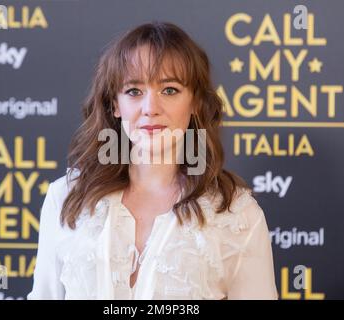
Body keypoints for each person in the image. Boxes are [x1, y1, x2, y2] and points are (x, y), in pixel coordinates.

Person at [28, 21, 278, 300]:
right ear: (115, 105)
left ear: (195, 102)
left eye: (169, 90)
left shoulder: (237, 213)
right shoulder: (66, 198)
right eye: (134, 91)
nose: (150, 109)